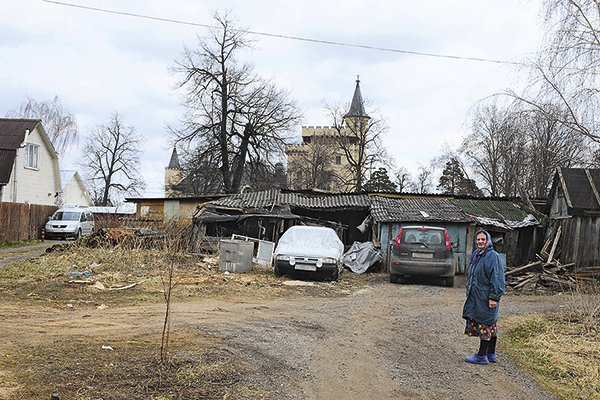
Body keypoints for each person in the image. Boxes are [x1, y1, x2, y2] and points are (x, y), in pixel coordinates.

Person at [462, 230, 505, 364]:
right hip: (477, 296)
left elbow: (497, 278)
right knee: (490, 324)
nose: (480, 242)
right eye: (478, 239)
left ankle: (481, 355)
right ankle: (491, 354)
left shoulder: (492, 256)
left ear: (488, 241)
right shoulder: (478, 255)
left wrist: (494, 297)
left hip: (486, 297)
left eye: (483, 239)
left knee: (486, 324)